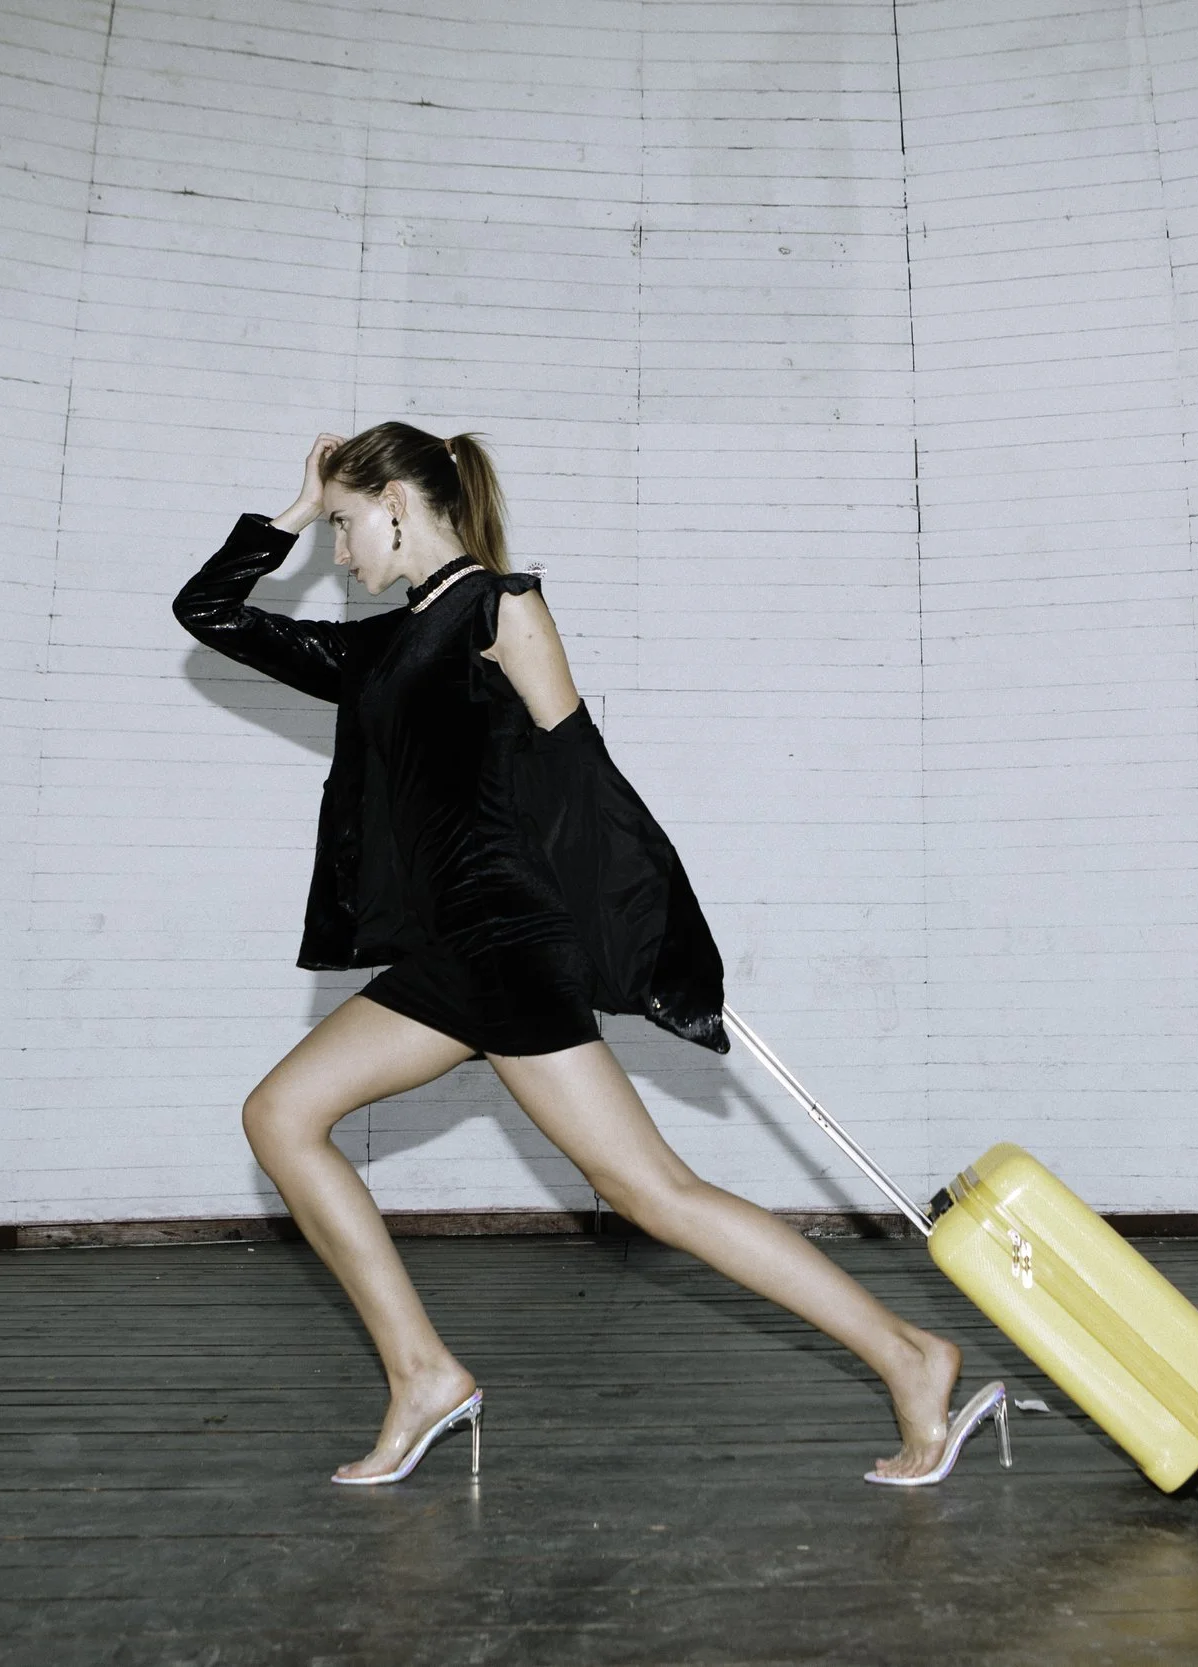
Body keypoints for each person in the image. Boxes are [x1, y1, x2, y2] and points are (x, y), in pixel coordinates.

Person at [172, 423, 1007, 1486]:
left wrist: (656, 942)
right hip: (445, 956)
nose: (337, 553)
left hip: (504, 950)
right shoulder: (383, 643)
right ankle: (423, 1372)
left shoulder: (501, 606)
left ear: (394, 498)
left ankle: (908, 1353)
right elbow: (206, 613)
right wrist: (287, 513)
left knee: (654, 1191)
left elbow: (586, 784)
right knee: (283, 1116)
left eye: (341, 524)